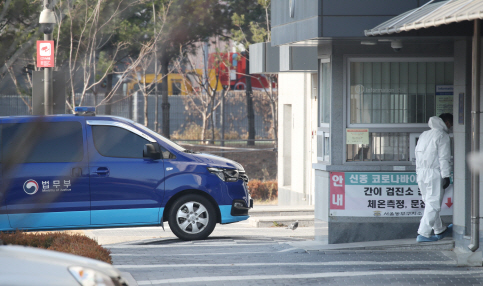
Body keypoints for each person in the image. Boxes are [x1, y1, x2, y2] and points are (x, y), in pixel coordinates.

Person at [415, 113, 453, 242]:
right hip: (434, 173)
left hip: (421, 173)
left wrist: (418, 173)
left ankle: (439, 229)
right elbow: (444, 158)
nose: (451, 127)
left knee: (429, 202)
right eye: (451, 124)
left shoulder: (424, 134)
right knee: (433, 203)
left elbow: (417, 155)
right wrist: (446, 175)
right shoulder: (443, 136)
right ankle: (423, 233)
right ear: (447, 123)